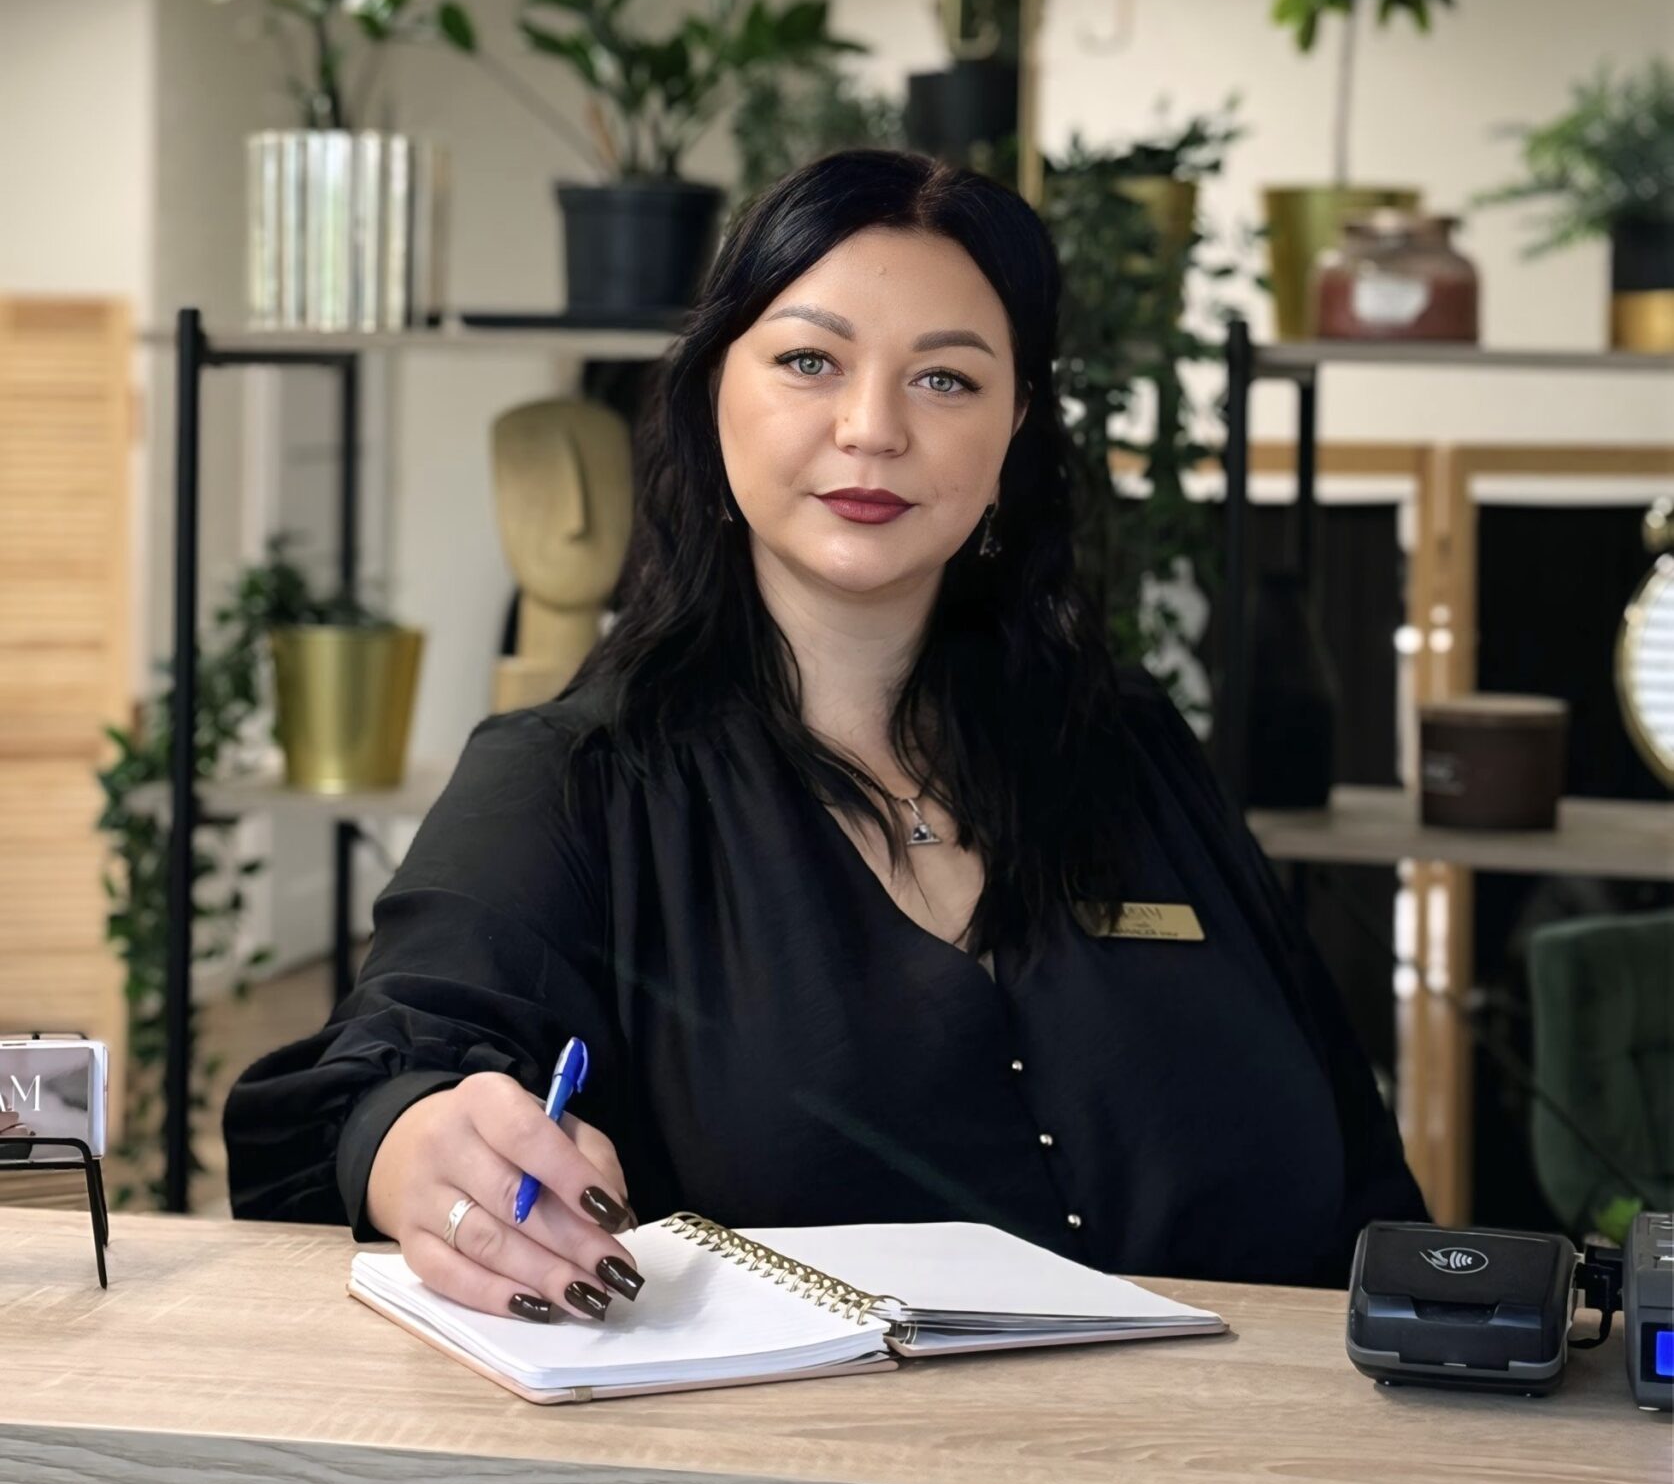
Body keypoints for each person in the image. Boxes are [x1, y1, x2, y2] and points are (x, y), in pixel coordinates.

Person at [225, 150, 1423, 1322]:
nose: (872, 426)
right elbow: (368, 1084)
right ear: (711, 391)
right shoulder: (575, 780)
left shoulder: (1132, 749)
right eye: (810, 360)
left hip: (1240, 1442)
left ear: (1016, 425)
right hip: (813, 1458)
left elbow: (1363, 1175)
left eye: (945, 378)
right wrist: (418, 1143)